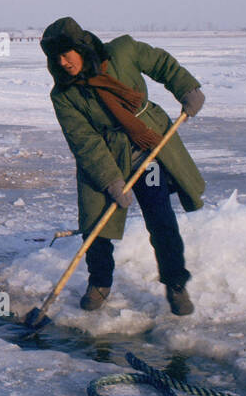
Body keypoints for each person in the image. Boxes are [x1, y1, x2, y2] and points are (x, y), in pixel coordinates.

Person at [40, 16, 206, 315]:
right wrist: (110, 180)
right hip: (104, 156)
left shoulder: (122, 52)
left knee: (161, 217)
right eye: (56, 58)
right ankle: (100, 283)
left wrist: (186, 88)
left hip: (148, 148)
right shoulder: (64, 95)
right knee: (96, 223)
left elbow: (161, 63)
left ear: (81, 47)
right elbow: (84, 140)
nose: (63, 62)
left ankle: (176, 283)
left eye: (66, 54)